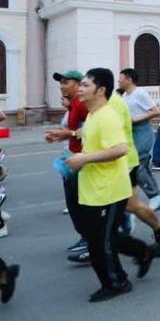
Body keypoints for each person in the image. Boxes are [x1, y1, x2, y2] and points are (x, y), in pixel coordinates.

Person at [65, 68, 155, 302]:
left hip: (110, 190)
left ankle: (117, 283)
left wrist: (83, 159)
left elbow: (120, 148)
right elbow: (93, 139)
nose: (80, 89)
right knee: (101, 238)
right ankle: (142, 251)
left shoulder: (107, 116)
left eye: (85, 85)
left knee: (100, 243)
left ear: (100, 90)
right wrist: (68, 136)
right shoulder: (93, 114)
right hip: (93, 189)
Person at [44, 70, 90, 255]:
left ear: (79, 84)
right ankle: (89, 237)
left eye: (66, 82)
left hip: (82, 161)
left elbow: (91, 130)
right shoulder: (73, 105)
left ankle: (93, 240)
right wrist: (58, 136)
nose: (62, 86)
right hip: (71, 158)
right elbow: (73, 131)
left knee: (80, 204)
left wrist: (68, 134)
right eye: (60, 83)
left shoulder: (82, 104)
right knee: (73, 204)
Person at [118, 69, 160, 210]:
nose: (119, 81)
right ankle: (158, 196)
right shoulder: (125, 96)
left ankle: (154, 196)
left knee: (138, 166)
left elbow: (155, 111)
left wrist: (135, 120)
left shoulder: (140, 93)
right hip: (131, 134)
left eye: (121, 78)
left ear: (129, 79)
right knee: (144, 167)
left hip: (142, 132)